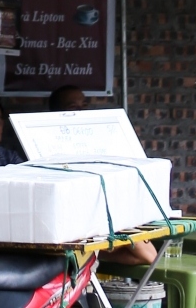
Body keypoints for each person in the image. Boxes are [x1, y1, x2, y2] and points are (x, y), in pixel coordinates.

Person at [44, 82, 156, 265]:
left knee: (144, 255)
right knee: (148, 255)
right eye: (73, 108)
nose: (80, 112)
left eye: (84, 107)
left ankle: (91, 256)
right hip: (75, 226)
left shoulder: (96, 139)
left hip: (106, 219)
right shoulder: (45, 144)